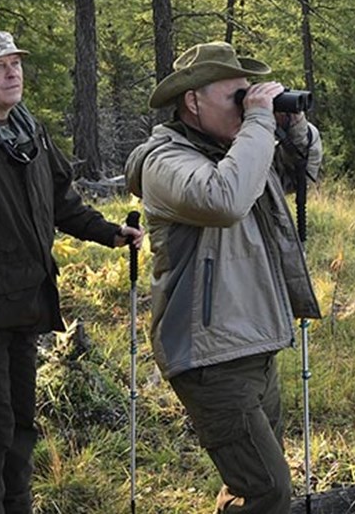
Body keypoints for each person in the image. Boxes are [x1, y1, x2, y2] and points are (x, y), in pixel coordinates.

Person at [0, 30, 145, 514]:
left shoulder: (26, 129)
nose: (12, 72)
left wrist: (108, 232)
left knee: (19, 430)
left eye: (15, 62)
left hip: (24, 308)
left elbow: (60, 200)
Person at [125, 41, 323, 514]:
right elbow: (225, 200)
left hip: (253, 341)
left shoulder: (235, 150)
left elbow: (303, 173)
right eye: (236, 97)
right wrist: (256, 122)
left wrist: (291, 126)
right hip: (209, 353)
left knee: (245, 487)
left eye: (249, 95)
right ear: (193, 101)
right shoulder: (164, 163)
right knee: (267, 490)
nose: (247, 105)